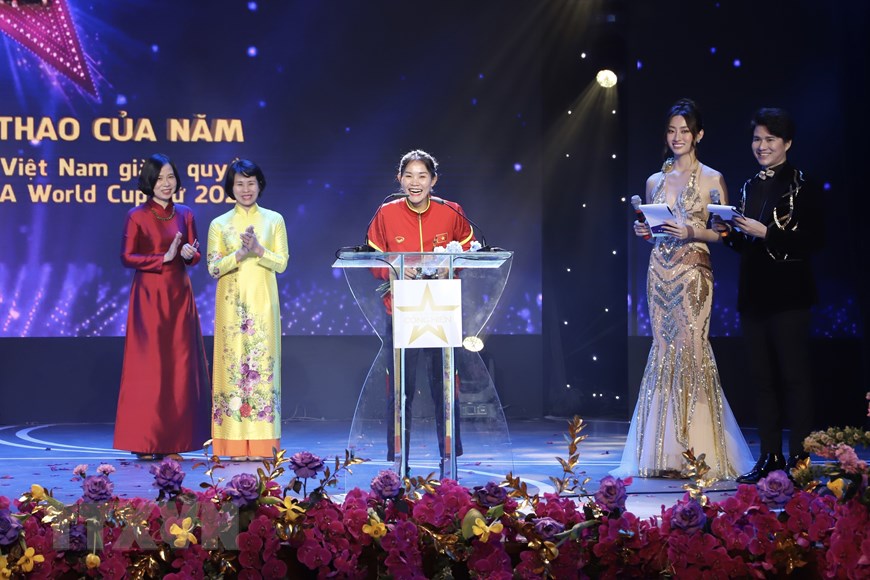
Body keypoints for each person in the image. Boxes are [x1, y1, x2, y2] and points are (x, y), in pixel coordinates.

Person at [613, 99, 754, 480]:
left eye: (685, 131)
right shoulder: (654, 181)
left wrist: (690, 230)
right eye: (672, 131)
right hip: (659, 272)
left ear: (698, 135)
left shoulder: (712, 178)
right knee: (663, 351)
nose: (677, 138)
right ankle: (663, 450)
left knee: (692, 351)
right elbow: (652, 232)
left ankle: (699, 450)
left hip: (694, 274)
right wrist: (645, 231)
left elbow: (723, 232)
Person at [716, 108, 824, 484]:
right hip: (755, 296)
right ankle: (770, 456)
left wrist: (767, 234)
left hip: (790, 297)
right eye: (757, 140)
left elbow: (815, 241)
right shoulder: (748, 186)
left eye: (770, 140)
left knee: (794, 378)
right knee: (761, 380)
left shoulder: (804, 184)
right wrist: (729, 233)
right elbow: (747, 248)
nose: (761, 146)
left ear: (787, 144)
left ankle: (800, 459)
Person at [366, 149, 475, 477]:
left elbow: (468, 251)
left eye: (422, 176)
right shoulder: (385, 214)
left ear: (433, 180)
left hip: (441, 311)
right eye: (409, 176)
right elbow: (374, 262)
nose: (415, 182)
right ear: (399, 179)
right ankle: (399, 460)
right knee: (399, 391)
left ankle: (448, 460)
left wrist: (450, 265)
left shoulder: (451, 211)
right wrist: (396, 270)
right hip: (401, 312)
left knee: (444, 389)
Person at [113, 153, 211, 460]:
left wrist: (185, 254)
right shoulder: (137, 215)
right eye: (159, 179)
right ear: (148, 182)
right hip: (149, 297)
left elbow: (195, 256)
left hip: (179, 295)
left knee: (180, 366)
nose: (166, 184)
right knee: (149, 367)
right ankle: (145, 441)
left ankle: (176, 441)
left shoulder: (186, 214)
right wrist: (162, 258)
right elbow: (126, 257)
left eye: (170, 177)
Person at [207, 159, 288, 461]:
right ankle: (233, 443)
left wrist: (259, 250)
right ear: (231, 187)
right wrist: (239, 253)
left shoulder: (273, 220)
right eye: (239, 183)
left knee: (262, 369)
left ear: (260, 185)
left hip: (263, 304)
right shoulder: (219, 224)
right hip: (230, 306)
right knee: (231, 370)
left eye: (251, 182)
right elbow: (214, 268)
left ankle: (262, 442)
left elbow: (282, 262)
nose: (245, 189)